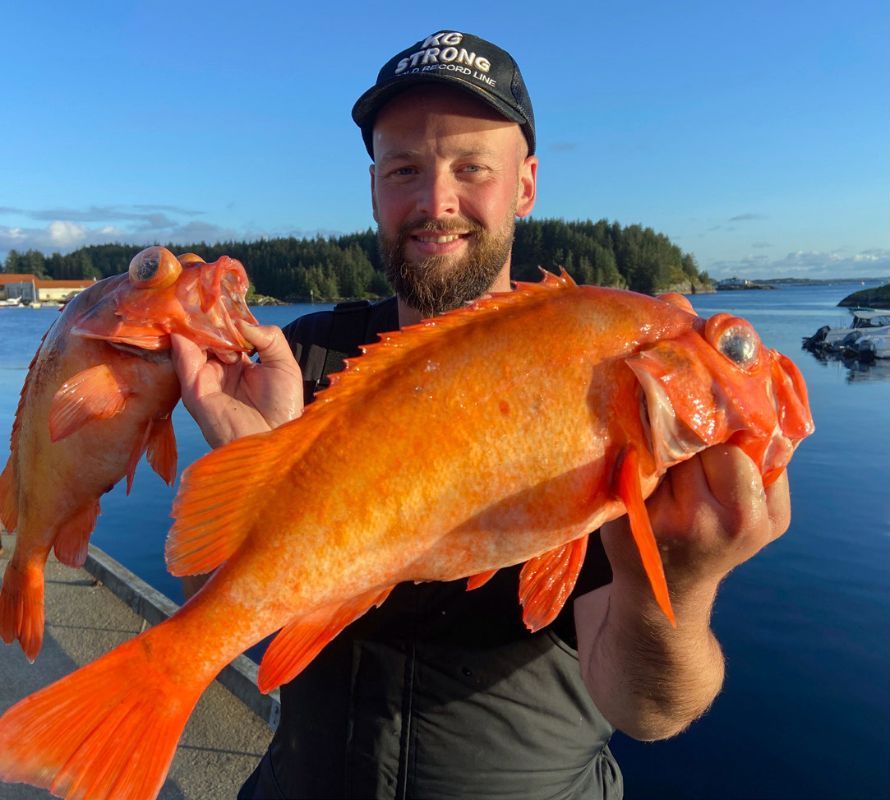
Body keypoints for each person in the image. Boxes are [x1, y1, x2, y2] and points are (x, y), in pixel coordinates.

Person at [171, 31, 792, 800]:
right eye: (405, 170)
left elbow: (650, 711)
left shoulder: (600, 384)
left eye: (472, 168)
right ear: (373, 191)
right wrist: (266, 476)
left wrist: (681, 581)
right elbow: (235, 600)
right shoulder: (301, 363)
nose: (437, 202)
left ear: (526, 186)